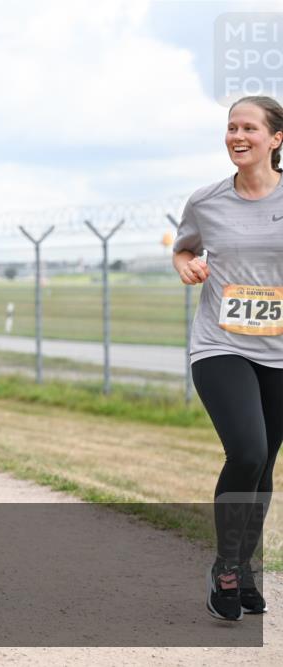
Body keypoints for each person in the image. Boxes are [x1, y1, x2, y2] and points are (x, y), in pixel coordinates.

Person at [173, 95, 283, 622]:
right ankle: (226, 569)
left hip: (279, 351)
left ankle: (245, 567)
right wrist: (185, 264)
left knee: (264, 463)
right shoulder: (207, 201)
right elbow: (184, 247)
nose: (238, 136)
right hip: (221, 344)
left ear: (276, 139)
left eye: (249, 128)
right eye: (232, 127)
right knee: (247, 449)